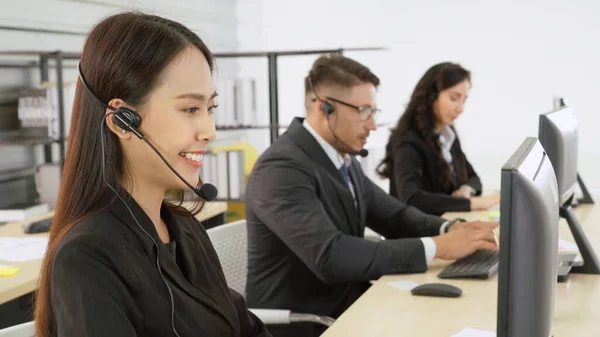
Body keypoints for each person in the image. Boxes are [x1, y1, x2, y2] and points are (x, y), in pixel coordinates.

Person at [33, 12, 270, 337]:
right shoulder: (87, 258)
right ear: (121, 120)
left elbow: (245, 328)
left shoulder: (184, 228)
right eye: (190, 109)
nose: (209, 131)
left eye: (209, 109)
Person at [244, 54, 498, 337]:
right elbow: (331, 255)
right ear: (324, 107)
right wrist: (439, 247)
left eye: (373, 112)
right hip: (308, 323)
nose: (373, 125)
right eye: (363, 110)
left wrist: (452, 229)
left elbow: (395, 216)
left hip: (350, 307)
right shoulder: (281, 168)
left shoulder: (342, 158)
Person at [377, 62, 500, 215]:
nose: (460, 108)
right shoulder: (407, 141)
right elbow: (412, 198)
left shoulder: (447, 134)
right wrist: (471, 203)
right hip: (418, 234)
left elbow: (473, 178)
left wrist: (465, 190)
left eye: (464, 100)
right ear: (431, 97)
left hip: (442, 224)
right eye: (454, 98)